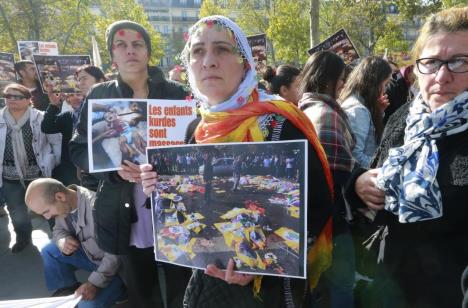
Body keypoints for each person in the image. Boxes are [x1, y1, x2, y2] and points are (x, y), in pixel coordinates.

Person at [140, 15, 334, 307]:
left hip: (269, 290)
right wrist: (157, 186)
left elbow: (319, 204)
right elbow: (188, 206)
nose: (208, 61)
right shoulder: (197, 128)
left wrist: (261, 263)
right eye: (197, 51)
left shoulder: (281, 123)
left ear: (245, 63)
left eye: (222, 49)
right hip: (211, 283)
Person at [346, 7, 468, 308]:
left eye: (459, 62)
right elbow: (376, 179)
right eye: (431, 62)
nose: (442, 76)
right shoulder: (403, 118)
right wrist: (358, 183)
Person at [69, 20, 191, 308]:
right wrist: (113, 167)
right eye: (121, 45)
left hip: (172, 203)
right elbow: (78, 148)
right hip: (123, 206)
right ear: (113, 55)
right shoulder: (99, 95)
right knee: (139, 284)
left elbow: (194, 143)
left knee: (182, 281)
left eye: (138, 44)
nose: (130, 51)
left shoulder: (176, 92)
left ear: (148, 52)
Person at [298, 50, 355, 308]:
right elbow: (335, 178)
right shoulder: (326, 115)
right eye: (342, 79)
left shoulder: (300, 110)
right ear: (329, 79)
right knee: (341, 290)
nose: (344, 85)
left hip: (307, 225)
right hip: (332, 225)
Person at [24, 178, 125, 308]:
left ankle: (122, 291)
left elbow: (115, 256)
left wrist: (94, 284)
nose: (47, 218)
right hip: (93, 258)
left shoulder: (99, 209)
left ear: (60, 196)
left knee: (86, 306)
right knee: (49, 250)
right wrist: (62, 240)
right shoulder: (65, 203)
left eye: (46, 211)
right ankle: (67, 290)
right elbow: (58, 229)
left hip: (116, 270)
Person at [0, 83, 61, 253]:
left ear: (28, 100)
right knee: (16, 211)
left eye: (17, 96)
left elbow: (55, 140)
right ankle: (23, 238)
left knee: (50, 207)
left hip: (39, 173)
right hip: (9, 175)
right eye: (8, 96)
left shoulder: (40, 117)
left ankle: (59, 238)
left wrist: (55, 160)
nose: (12, 99)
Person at [42, 65, 106, 187]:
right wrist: (53, 105)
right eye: (79, 79)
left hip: (104, 172)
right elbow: (47, 127)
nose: (80, 83)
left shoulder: (112, 106)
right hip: (76, 173)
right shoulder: (71, 115)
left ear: (101, 80)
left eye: (84, 78)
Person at [339, 56, 392, 167]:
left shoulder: (361, 104)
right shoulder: (358, 110)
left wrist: (378, 111)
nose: (385, 90)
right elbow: (356, 156)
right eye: (385, 84)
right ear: (375, 83)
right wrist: (383, 167)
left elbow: (368, 135)